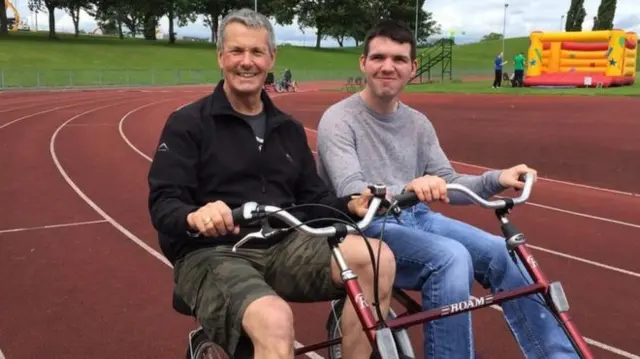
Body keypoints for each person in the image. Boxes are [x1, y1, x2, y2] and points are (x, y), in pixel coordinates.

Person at [316, 19, 579, 359]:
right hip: (368, 230)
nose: (387, 67)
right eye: (379, 57)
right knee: (450, 258)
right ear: (363, 63)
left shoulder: (418, 123)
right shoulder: (338, 120)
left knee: (505, 253)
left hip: (418, 218)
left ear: (412, 68)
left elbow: (448, 181)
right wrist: (407, 187)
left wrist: (496, 179)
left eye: (398, 60)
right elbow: (353, 192)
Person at [147, 8, 396, 359]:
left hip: (283, 244)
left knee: (378, 258)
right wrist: (197, 215)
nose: (246, 62)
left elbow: (314, 199)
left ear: (271, 58)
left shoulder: (288, 129)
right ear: (221, 56)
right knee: (275, 321)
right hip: (214, 252)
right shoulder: (188, 123)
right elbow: (163, 202)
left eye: (256, 52)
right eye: (236, 51)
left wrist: (350, 205)